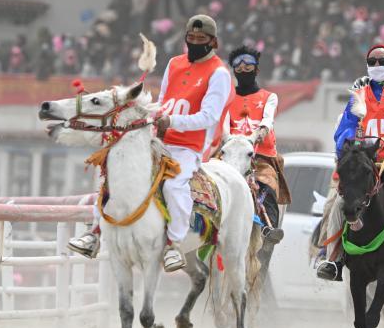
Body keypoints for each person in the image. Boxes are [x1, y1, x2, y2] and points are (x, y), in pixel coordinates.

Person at [68, 15, 233, 273]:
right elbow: (164, 100)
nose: (195, 42)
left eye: (201, 39)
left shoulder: (219, 73)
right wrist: (149, 115)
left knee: (174, 186)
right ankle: (95, 233)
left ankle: (173, 245)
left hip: (188, 146)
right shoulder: (174, 63)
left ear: (213, 42)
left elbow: (209, 116)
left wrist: (172, 121)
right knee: (117, 171)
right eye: (191, 38)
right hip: (159, 138)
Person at [316, 44, 384, 283]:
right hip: (364, 160)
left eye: (382, 61)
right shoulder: (358, 95)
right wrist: (351, 145)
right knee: (337, 202)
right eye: (372, 61)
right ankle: (332, 259)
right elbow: (344, 129)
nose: (376, 65)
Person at [223, 45, 291, 243]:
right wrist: (229, 138)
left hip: (261, 157)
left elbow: (267, 120)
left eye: (248, 67)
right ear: (234, 71)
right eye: (239, 67)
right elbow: (224, 124)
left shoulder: (269, 97)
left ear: (257, 70)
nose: (243, 70)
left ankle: (269, 229)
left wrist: (260, 132)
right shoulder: (227, 98)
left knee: (267, 184)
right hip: (230, 155)